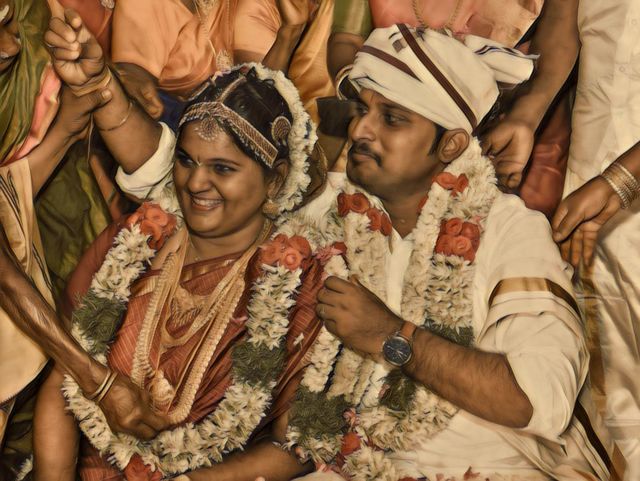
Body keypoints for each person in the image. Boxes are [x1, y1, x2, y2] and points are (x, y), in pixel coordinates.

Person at [125, 25, 609, 480]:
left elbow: (539, 400)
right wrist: (109, 100)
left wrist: (391, 336)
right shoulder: (333, 211)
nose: (360, 131)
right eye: (361, 110)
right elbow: (193, 189)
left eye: (392, 119)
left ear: (451, 144)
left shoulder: (509, 231)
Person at [25, 9, 329, 479]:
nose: (196, 183)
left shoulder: (302, 284)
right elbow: (63, 380)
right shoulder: (134, 241)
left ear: (275, 181)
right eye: (186, 161)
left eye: (222, 168)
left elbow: (300, 444)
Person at [482, 0, 640, 477]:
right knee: (613, 393)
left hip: (612, 182)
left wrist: (623, 179)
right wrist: (527, 116)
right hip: (590, 180)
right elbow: (564, 28)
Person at [326, 0, 573, 218]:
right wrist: (376, 93)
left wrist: (525, 116)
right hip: (386, 131)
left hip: (503, 131)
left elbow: (561, 23)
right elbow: (346, 39)